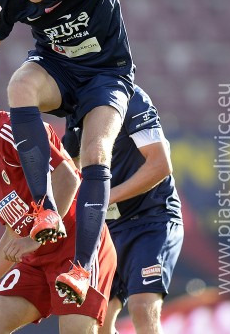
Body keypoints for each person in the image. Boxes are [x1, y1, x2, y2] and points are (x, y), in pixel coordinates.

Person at [0, 0, 230, 305]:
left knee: (95, 152)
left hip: (107, 75)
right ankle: (44, 208)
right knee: (20, 84)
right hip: (57, 68)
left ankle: (80, 267)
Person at [0, 65, 116, 331]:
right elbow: (16, 230)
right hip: (37, 259)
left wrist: (34, 239)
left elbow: (67, 177)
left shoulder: (13, 128)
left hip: (76, 248)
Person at [64, 85, 183, 334]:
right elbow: (72, 168)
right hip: (107, 228)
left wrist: (103, 199)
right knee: (97, 322)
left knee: (142, 307)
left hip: (151, 219)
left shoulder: (132, 99)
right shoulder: (76, 107)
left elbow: (160, 165)